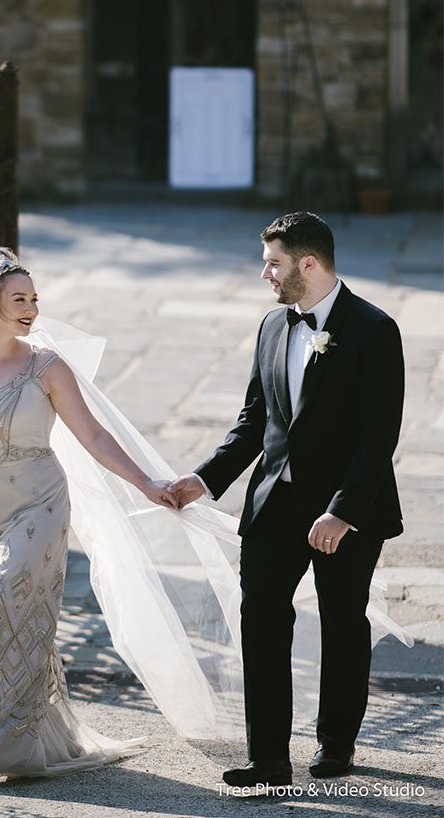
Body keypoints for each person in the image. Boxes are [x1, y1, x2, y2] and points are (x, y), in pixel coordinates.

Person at [0, 245, 178, 787]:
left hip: (39, 507)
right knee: (7, 624)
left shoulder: (48, 366)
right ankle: (25, 738)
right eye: (19, 299)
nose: (31, 309)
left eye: (35, 299)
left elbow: (91, 434)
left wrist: (147, 481)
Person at [169, 210, 405, 788]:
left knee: (343, 621)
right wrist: (205, 478)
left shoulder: (376, 330)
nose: (264, 274)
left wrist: (343, 511)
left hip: (347, 512)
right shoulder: (274, 326)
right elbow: (255, 422)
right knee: (262, 621)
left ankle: (336, 743)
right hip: (275, 502)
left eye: (273, 262)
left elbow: (380, 436)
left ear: (308, 263)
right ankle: (268, 756)